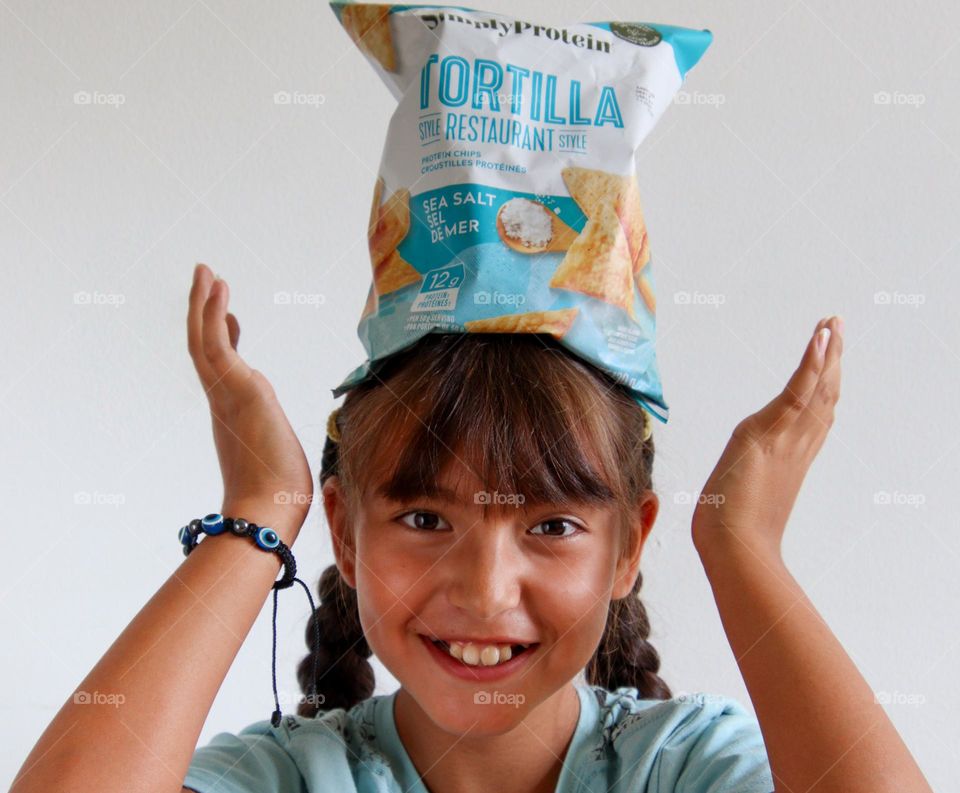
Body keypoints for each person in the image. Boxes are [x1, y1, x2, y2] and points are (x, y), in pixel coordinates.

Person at [12, 264, 932, 793]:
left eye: (555, 523)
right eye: (423, 515)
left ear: (630, 545)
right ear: (344, 526)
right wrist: (260, 510)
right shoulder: (291, 777)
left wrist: (743, 546)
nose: (486, 591)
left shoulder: (686, 767)